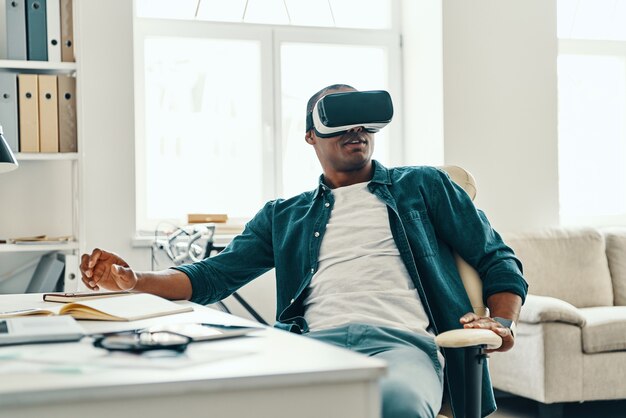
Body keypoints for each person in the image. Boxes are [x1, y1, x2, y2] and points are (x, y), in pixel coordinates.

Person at [81, 84, 527, 418]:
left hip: (402, 346)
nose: (356, 130)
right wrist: (134, 281)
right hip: (309, 349)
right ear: (311, 136)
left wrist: (501, 321)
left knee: (397, 407)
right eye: (340, 118)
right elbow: (211, 276)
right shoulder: (283, 215)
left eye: (362, 119)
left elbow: (497, 259)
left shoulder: (423, 186)